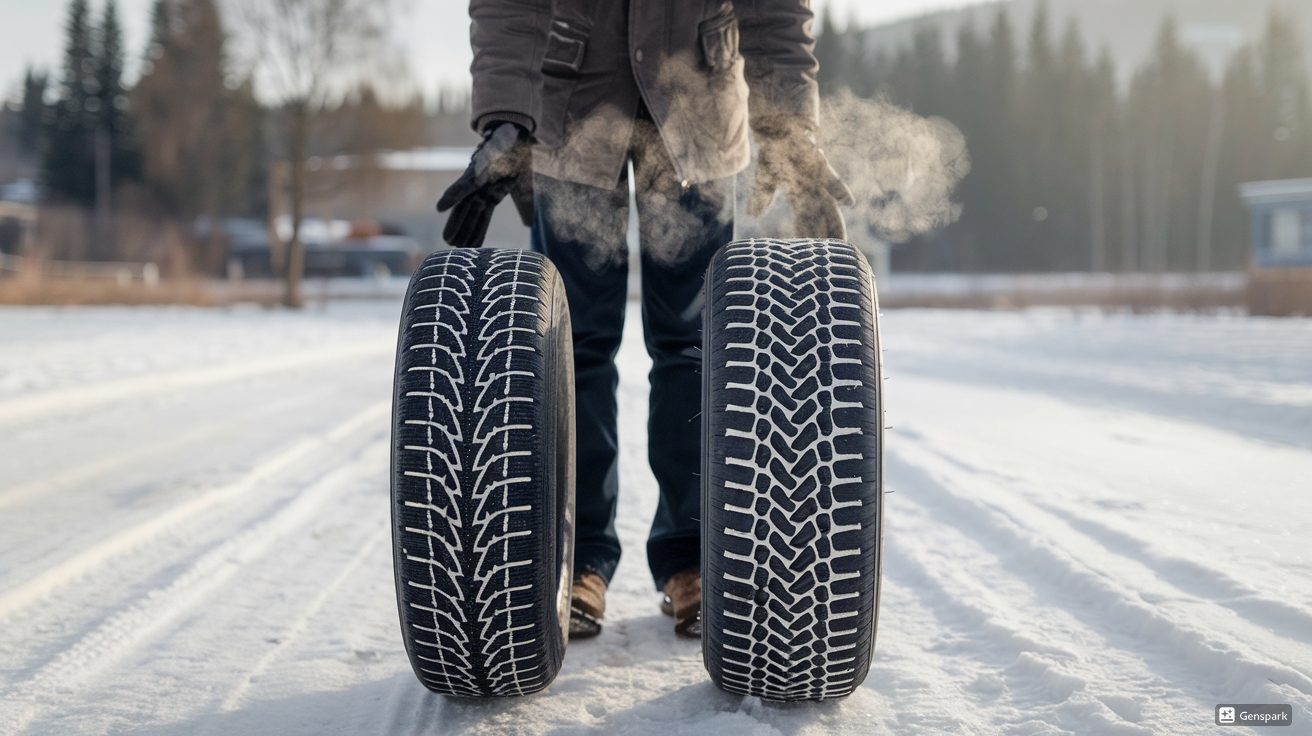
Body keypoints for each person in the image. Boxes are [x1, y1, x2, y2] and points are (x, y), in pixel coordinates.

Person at [437, 0, 852, 639]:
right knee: (569, 346)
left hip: (699, 114)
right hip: (569, 112)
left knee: (693, 344)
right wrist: (506, 113)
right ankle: (575, 559)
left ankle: (691, 556)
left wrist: (788, 125)